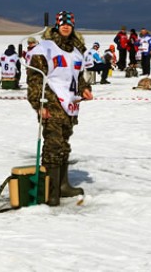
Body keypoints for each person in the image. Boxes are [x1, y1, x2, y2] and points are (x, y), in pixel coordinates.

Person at [27, 11, 93, 206]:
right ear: (56, 26)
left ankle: (63, 186)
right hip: (52, 103)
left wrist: (85, 90)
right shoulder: (45, 49)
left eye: (69, 24)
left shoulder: (76, 50)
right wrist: (39, 104)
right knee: (53, 147)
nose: (66, 26)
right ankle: (50, 192)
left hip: (70, 106)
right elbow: (35, 79)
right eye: (62, 24)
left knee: (63, 146)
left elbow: (78, 78)